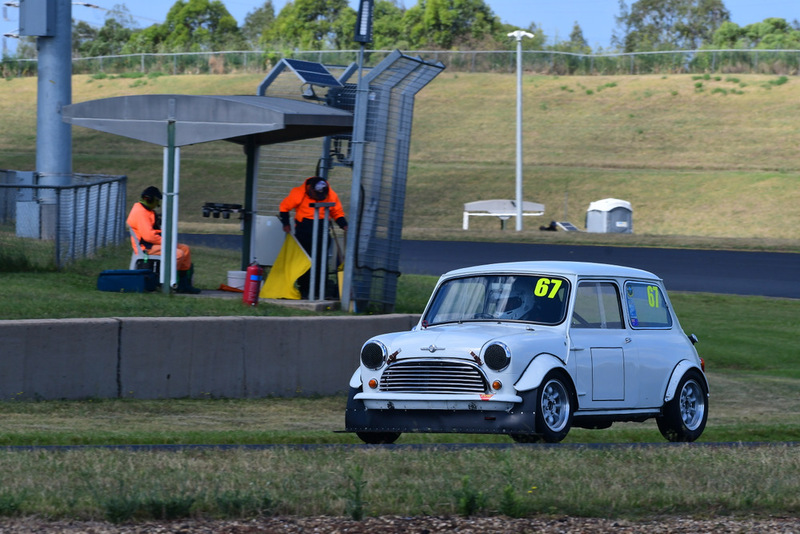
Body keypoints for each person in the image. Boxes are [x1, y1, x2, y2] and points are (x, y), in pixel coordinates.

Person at [279, 176, 348, 299]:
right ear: (310, 189)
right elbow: (284, 207)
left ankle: (320, 290)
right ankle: (304, 290)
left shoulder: (331, 194)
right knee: (304, 263)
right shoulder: (298, 193)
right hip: (303, 233)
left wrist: (344, 225)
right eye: (317, 195)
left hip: (322, 232)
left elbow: (337, 212)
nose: (320, 198)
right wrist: (286, 223)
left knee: (321, 263)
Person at [126, 185, 201, 294]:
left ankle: (184, 284)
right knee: (178, 254)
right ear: (150, 199)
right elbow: (149, 236)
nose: (158, 204)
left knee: (185, 249)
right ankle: (167, 282)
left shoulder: (147, 210)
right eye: (157, 201)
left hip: (153, 244)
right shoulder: (140, 212)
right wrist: (167, 242)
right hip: (146, 247)